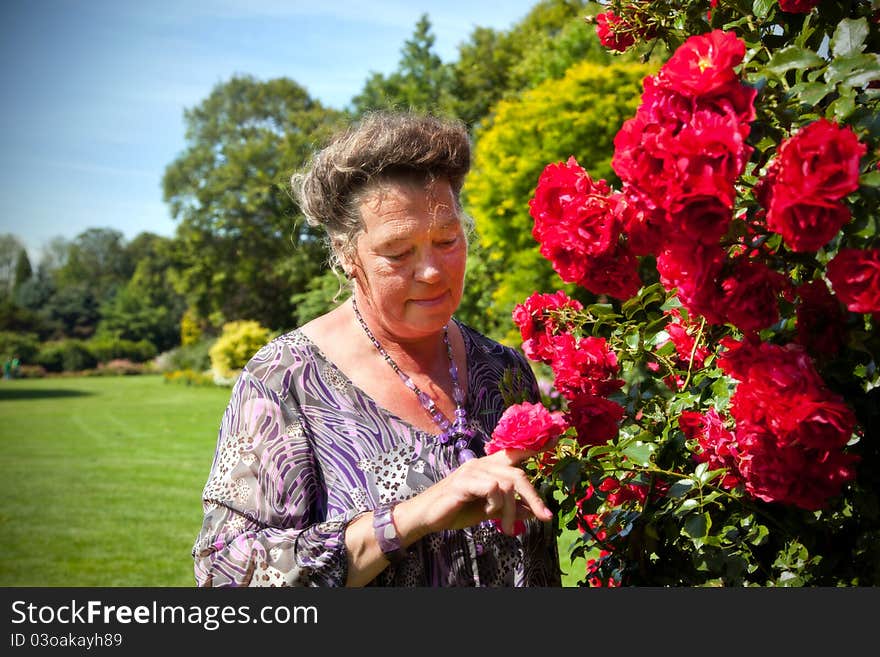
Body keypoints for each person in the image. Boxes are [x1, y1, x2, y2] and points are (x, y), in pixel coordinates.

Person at [191, 111, 561, 587]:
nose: (431, 271)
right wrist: (411, 517)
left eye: (447, 240)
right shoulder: (285, 381)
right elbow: (226, 576)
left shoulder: (503, 369)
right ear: (347, 254)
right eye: (398, 252)